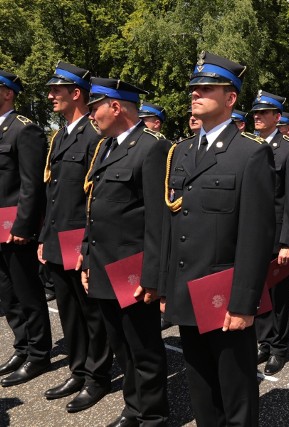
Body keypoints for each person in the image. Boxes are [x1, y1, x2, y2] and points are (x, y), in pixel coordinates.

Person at [160, 51, 275, 427]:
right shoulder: (182, 151)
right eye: (194, 87)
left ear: (231, 98)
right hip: (188, 290)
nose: (196, 94)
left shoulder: (250, 155)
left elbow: (255, 237)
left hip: (225, 297)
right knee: (201, 392)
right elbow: (175, 226)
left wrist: (244, 304)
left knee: (236, 393)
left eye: (208, 87)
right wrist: (166, 289)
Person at [83, 76, 169, 426]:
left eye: (95, 108)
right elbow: (94, 209)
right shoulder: (106, 146)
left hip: (132, 270)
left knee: (143, 347)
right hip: (103, 265)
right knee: (120, 345)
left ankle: (152, 415)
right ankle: (134, 405)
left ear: (116, 106)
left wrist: (152, 276)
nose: (92, 116)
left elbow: (158, 220)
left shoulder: (151, 147)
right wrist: (88, 259)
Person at [38, 61, 112, 412]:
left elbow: (96, 198)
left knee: (91, 313)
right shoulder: (62, 134)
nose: (51, 95)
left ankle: (97, 376)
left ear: (76, 93)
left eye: (57, 90)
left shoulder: (94, 135)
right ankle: (77, 368)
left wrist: (87, 245)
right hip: (57, 237)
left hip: (81, 239)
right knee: (68, 309)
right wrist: (43, 237)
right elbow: (53, 192)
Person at [0, 69, 51, 387]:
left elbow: (33, 185)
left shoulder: (24, 130)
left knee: (28, 291)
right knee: (6, 293)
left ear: (7, 93)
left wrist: (23, 226)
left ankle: (39, 353)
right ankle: (22, 345)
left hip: (15, 228)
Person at [252, 90, 289, 376]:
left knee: (278, 294)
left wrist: (287, 241)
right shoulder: (248, 146)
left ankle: (279, 347)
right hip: (251, 235)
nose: (258, 118)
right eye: (255, 114)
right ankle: (264, 341)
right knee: (258, 292)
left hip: (276, 236)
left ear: (277, 117)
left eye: (264, 113)